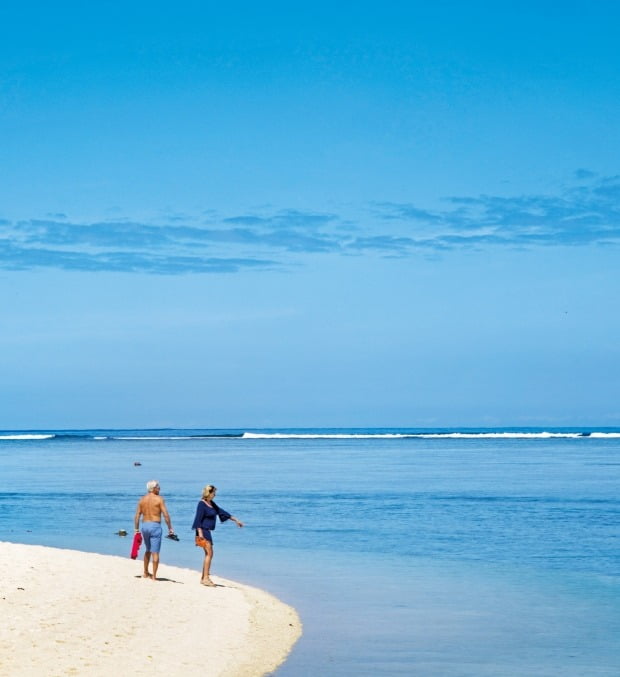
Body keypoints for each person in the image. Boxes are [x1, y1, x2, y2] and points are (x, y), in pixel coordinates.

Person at [192, 484, 243, 586]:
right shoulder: (201, 504)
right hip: (203, 531)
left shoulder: (211, 503)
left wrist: (236, 520)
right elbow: (198, 519)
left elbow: (222, 512)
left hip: (208, 531)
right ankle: (205, 578)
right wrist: (200, 534)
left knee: (209, 554)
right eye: (214, 492)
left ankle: (204, 577)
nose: (215, 494)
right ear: (209, 493)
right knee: (209, 554)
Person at [134, 480, 175, 580]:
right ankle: (154, 576)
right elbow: (165, 514)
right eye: (158, 487)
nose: (159, 488)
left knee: (148, 550)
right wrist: (170, 528)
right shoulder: (159, 499)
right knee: (155, 552)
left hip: (145, 526)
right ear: (153, 488)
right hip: (155, 526)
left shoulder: (142, 499)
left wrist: (136, 529)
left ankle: (145, 573)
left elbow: (137, 516)